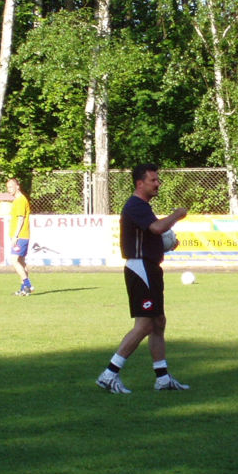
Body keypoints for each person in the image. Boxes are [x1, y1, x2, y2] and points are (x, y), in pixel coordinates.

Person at [96, 163, 189, 394]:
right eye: (153, 180)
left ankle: (163, 378)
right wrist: (177, 215)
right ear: (140, 183)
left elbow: (150, 234)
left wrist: (166, 244)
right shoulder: (135, 205)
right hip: (141, 269)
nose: (158, 184)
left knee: (158, 322)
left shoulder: (143, 207)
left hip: (149, 268)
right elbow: (156, 228)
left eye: (158, 180)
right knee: (145, 324)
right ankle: (109, 373)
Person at [7, 178, 34, 296]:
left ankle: (27, 284)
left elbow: (20, 219)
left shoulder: (20, 200)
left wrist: (15, 236)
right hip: (22, 235)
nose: (9, 189)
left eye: (11, 187)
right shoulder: (18, 200)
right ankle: (24, 289)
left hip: (20, 236)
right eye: (8, 187)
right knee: (21, 262)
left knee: (14, 260)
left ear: (17, 187)